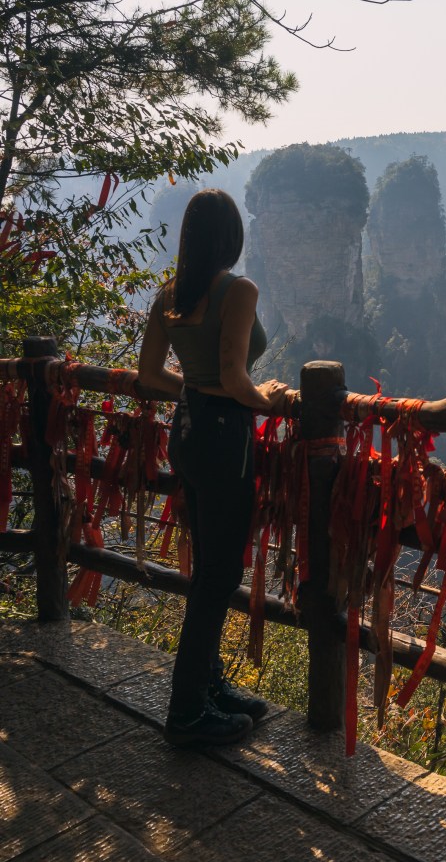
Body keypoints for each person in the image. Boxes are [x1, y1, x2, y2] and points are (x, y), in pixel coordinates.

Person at [138, 188, 288, 747]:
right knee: (219, 576)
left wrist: (196, 391)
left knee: (209, 568)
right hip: (226, 440)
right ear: (232, 237)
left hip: (188, 431)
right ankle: (186, 714)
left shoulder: (169, 295)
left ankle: (210, 686)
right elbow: (234, 378)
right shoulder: (239, 290)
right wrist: (267, 398)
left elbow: (149, 374)